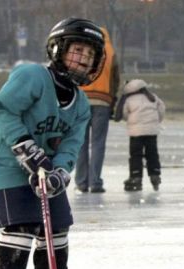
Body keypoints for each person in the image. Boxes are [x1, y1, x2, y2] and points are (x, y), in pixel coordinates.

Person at [0, 18, 105, 269]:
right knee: (23, 224)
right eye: (78, 51)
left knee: (58, 224)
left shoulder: (81, 103)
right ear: (58, 49)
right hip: (5, 166)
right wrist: (27, 149)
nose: (83, 59)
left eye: (89, 56)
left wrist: (60, 172)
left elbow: (72, 145)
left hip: (44, 170)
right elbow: (1, 111)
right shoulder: (33, 76)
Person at [75, 26, 120, 194]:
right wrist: (112, 100)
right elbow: (115, 79)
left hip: (81, 101)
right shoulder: (110, 51)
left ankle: (81, 182)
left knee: (81, 143)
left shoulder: (83, 49)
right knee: (98, 143)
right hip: (102, 102)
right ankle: (95, 183)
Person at [114, 79, 165, 192]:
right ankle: (155, 175)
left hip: (136, 132)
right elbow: (161, 110)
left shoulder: (129, 100)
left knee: (136, 155)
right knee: (152, 154)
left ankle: (136, 177)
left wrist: (131, 120)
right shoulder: (153, 97)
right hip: (152, 131)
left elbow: (124, 114)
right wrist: (156, 121)